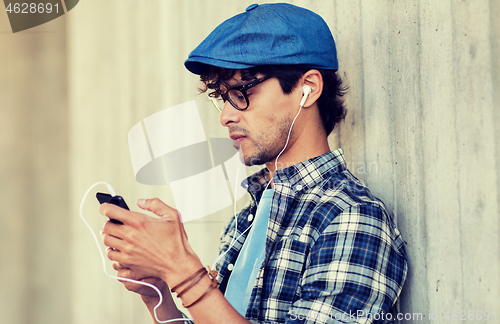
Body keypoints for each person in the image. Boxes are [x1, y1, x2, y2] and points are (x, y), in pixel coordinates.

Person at [99, 3, 408, 323]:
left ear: (308, 88)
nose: (225, 116)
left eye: (242, 92)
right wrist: (158, 292)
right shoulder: (246, 220)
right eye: (222, 97)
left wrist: (184, 272)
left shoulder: (350, 217)